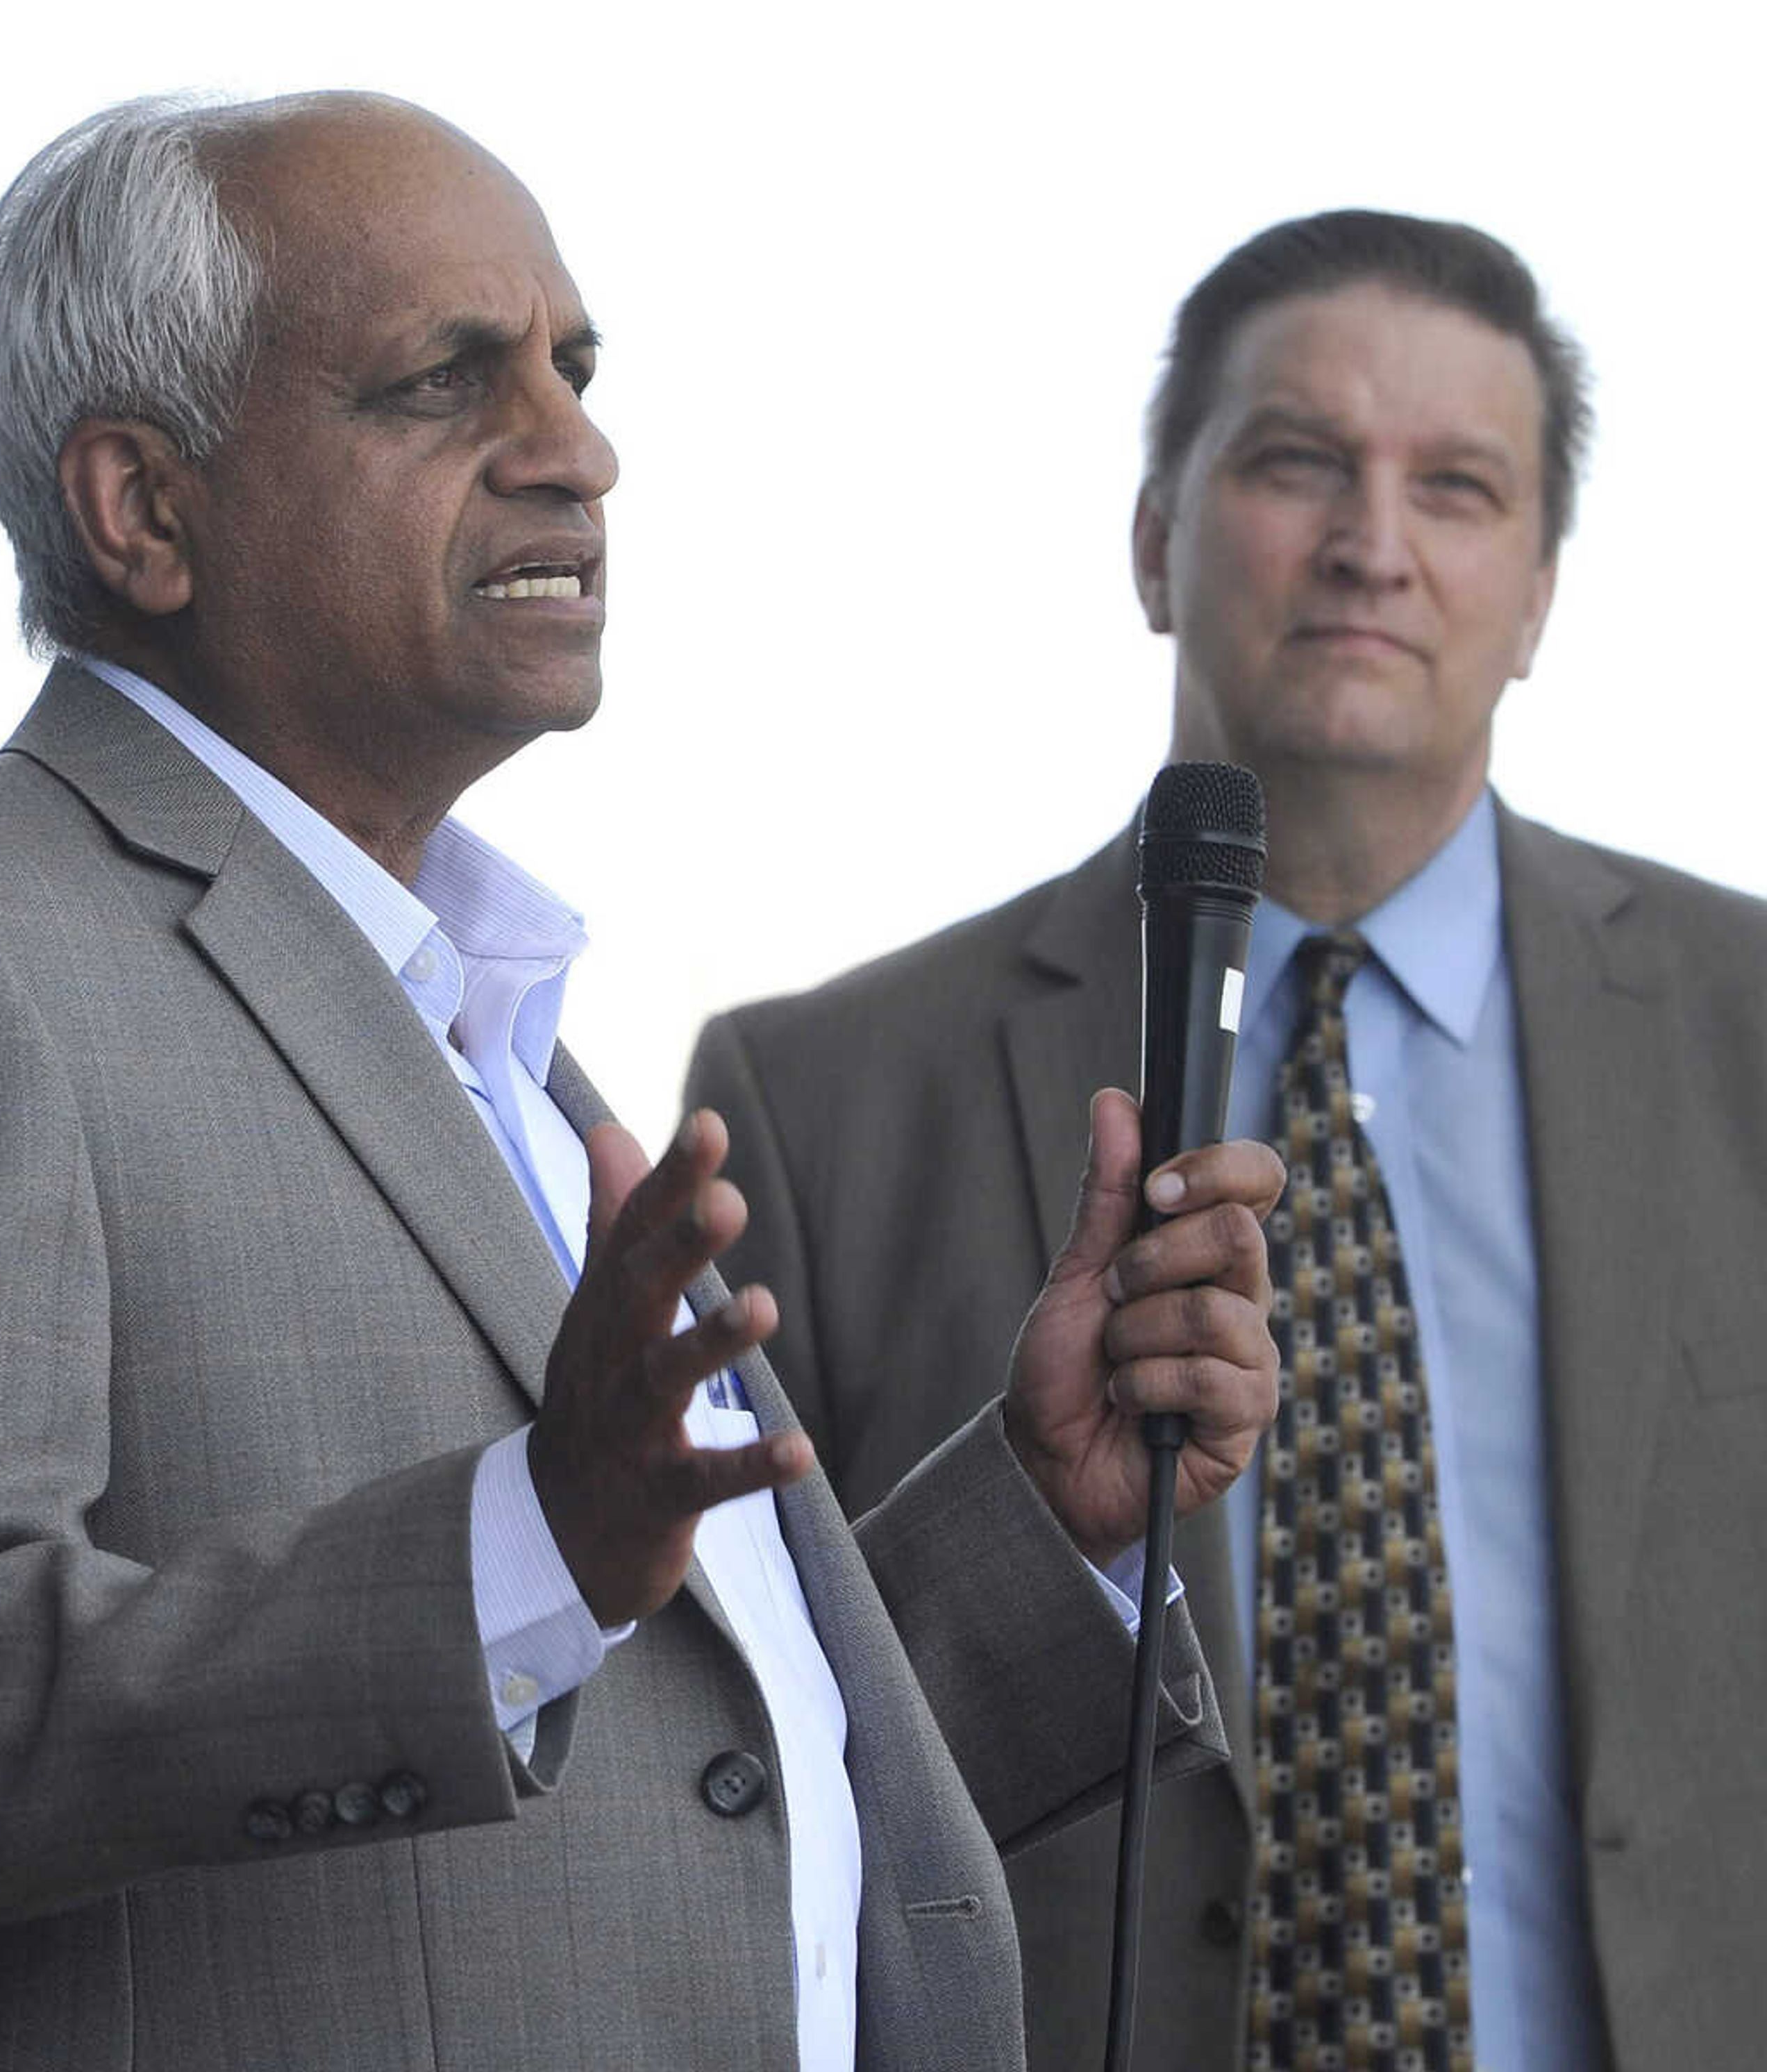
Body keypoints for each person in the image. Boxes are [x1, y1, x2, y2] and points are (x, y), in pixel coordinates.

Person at [0, 92, 1282, 2072]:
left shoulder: (480, 1004)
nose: (578, 452)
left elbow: (694, 1777)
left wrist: (1047, 1512)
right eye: (446, 382)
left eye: (576, 373)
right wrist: (518, 1538)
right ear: (140, 509)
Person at [688, 210, 1767, 2071]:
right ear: (1152, 541)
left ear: (1540, 596)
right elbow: (735, 1763)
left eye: (1457, 488)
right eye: (1297, 463)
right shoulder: (824, 1101)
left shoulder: (1745, 1030)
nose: (1373, 545)